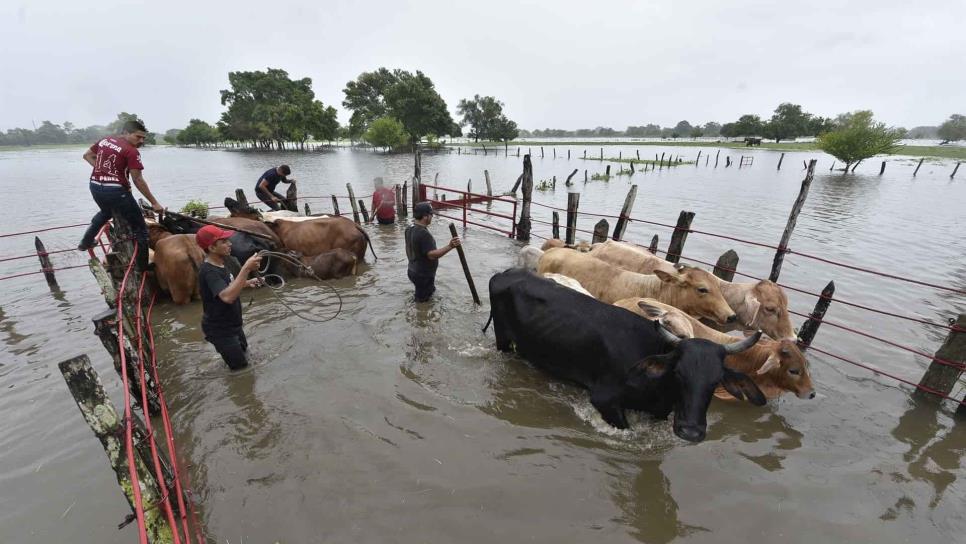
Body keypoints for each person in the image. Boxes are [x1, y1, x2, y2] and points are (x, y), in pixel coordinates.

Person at [77, 120, 163, 269]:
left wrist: (106, 172)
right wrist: (154, 203)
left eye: (143, 138)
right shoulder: (131, 151)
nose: (141, 141)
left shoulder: (106, 140)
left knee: (105, 212)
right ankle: (142, 266)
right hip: (116, 192)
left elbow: (87, 155)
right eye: (138, 137)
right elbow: (138, 179)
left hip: (95, 186)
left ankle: (85, 242)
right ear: (125, 133)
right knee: (141, 230)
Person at [196, 225, 264, 370]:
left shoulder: (221, 263)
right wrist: (246, 269)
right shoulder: (209, 271)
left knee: (246, 355)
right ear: (212, 248)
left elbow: (227, 286)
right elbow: (227, 297)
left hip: (233, 325)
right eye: (224, 241)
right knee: (240, 369)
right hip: (220, 330)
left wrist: (246, 283)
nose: (230, 243)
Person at [404, 202, 460, 302]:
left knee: (427, 295)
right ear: (425, 216)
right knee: (422, 304)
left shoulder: (409, 228)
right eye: (431, 214)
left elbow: (408, 248)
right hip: (423, 275)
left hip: (412, 270)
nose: (432, 217)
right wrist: (450, 246)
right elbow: (432, 255)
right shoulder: (424, 234)